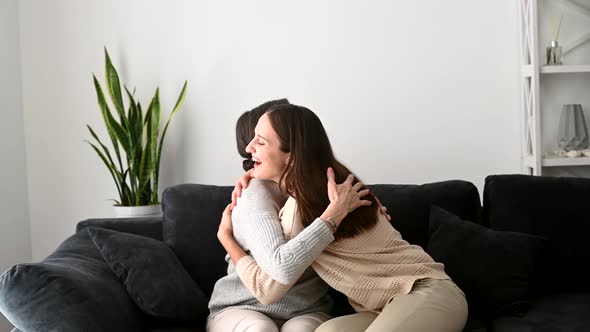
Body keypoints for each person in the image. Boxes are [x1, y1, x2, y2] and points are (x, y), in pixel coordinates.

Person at [218, 103, 468, 332]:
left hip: (427, 292)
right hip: (382, 308)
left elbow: (272, 282)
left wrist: (227, 238)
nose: (248, 148)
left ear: (291, 156)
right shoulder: (320, 193)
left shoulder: (323, 196)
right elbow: (274, 280)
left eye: (260, 142)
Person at [206, 99, 372, 332]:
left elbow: (361, 203)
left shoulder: (325, 186)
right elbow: (277, 275)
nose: (251, 147)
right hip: (242, 307)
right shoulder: (252, 194)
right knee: (259, 330)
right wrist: (333, 216)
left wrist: (372, 208)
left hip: (308, 309)